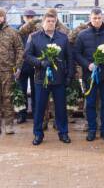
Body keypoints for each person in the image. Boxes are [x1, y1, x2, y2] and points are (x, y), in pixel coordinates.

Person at [25, 11, 74, 145]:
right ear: (43, 22)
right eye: (48, 21)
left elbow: (69, 57)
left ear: (56, 22)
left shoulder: (63, 38)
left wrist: (69, 75)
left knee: (61, 108)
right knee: (39, 108)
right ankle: (38, 134)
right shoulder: (34, 37)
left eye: (53, 21)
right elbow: (27, 56)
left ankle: (63, 133)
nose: (51, 23)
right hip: (41, 79)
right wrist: (40, 63)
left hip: (59, 79)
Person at [75, 8, 104, 142]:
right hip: (90, 76)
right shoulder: (82, 35)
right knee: (90, 103)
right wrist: (87, 64)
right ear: (90, 19)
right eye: (94, 18)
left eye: (99, 18)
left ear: (102, 19)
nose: (97, 20)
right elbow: (77, 53)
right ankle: (92, 130)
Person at [0, 8, 24, 135]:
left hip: (8, 71)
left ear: (4, 18)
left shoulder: (12, 32)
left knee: (7, 98)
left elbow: (20, 49)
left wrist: (18, 65)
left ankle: (9, 125)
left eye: (0, 16)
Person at [17, 9, 37, 124]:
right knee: (21, 91)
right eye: (27, 16)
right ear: (23, 17)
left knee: (36, 91)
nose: (29, 19)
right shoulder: (19, 30)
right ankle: (22, 114)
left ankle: (35, 113)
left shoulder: (39, 30)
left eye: (31, 17)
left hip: (35, 65)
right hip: (23, 66)